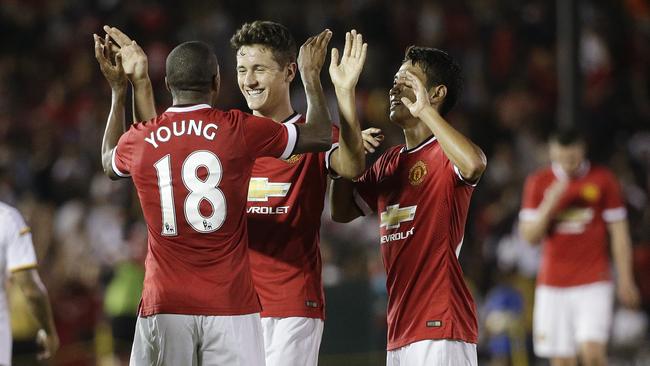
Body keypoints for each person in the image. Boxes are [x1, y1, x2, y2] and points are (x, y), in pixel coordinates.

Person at [105, 23, 378, 365]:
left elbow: (351, 167)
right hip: (227, 308)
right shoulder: (227, 135)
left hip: (288, 306)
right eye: (241, 70)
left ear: (289, 71)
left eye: (259, 69)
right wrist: (138, 84)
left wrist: (342, 93)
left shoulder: (298, 135)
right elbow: (159, 147)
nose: (249, 80)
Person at [329, 46, 487, 365]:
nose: (394, 87)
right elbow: (342, 211)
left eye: (407, 80)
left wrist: (425, 111)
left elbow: (473, 165)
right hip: (400, 328)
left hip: (440, 323)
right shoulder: (389, 162)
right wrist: (348, 140)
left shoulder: (446, 151)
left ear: (436, 93)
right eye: (395, 80)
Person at [518, 127, 640, 366]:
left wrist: (626, 279)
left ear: (582, 150)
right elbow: (529, 237)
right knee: (562, 361)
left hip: (594, 280)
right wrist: (549, 205)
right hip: (553, 284)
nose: (568, 164)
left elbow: (619, 234)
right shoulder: (538, 182)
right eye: (562, 158)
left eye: (572, 158)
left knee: (593, 355)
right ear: (552, 152)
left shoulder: (603, 179)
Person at [0, 201, 58, 366]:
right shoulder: (8, 221)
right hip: (17, 332)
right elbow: (31, 289)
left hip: (24, 332)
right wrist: (49, 331)